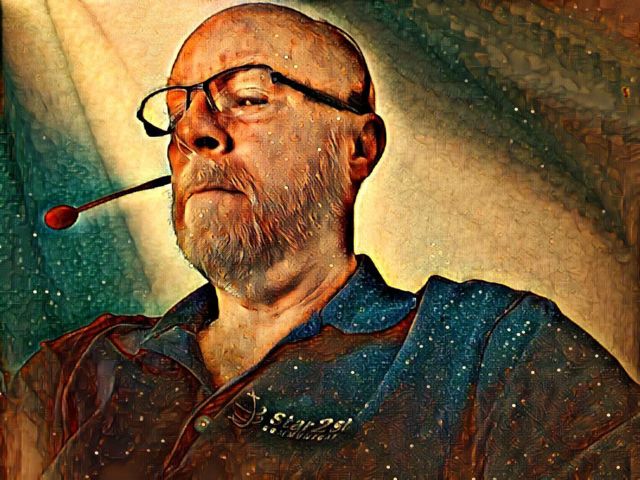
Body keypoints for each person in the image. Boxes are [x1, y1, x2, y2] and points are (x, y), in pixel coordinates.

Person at [3, 3, 639, 479]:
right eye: (176, 114)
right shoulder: (75, 370)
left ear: (358, 147)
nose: (193, 131)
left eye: (248, 97)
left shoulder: (490, 351)